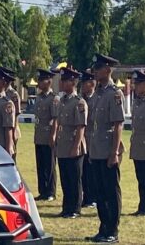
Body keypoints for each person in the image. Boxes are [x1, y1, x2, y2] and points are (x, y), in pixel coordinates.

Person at [85, 53, 125, 243]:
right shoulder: (98, 94)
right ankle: (103, 227)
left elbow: (118, 125)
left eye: (98, 68)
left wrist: (114, 152)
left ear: (108, 70)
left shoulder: (114, 94)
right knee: (99, 192)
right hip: (97, 149)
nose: (95, 71)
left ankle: (112, 231)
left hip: (108, 150)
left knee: (111, 191)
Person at [57, 67, 87, 219]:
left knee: (75, 179)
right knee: (65, 178)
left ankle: (75, 208)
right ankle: (66, 207)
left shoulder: (79, 102)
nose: (61, 83)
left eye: (64, 80)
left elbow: (80, 126)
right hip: (62, 145)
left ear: (73, 82)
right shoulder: (62, 101)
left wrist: (76, 146)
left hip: (73, 145)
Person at [33, 68, 60, 202]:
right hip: (39, 135)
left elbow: (55, 118)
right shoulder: (39, 98)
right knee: (41, 164)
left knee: (49, 165)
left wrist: (53, 135)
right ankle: (42, 190)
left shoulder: (53, 98)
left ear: (49, 81)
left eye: (42, 80)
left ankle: (50, 191)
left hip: (48, 135)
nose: (39, 83)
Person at [80, 70, 98, 208]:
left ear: (92, 84)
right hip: (83, 139)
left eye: (85, 83)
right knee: (84, 170)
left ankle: (92, 197)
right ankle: (86, 196)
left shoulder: (96, 99)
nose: (82, 86)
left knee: (92, 171)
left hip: (93, 139)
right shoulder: (82, 99)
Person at [130, 69, 145, 217]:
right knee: (141, 179)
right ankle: (143, 206)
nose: (135, 86)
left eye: (138, 84)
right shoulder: (137, 102)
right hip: (138, 148)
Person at [0, 66, 22, 159]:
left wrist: (14, 130)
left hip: (12, 127)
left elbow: (16, 113)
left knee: (11, 154)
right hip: (2, 127)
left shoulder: (13, 94)